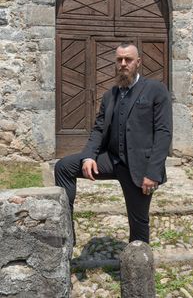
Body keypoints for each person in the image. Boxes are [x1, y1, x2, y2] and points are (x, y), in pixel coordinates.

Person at [55, 43, 172, 245]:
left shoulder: (156, 90)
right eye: (119, 60)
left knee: (138, 223)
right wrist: (90, 156)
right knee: (63, 167)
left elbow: (164, 133)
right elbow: (99, 129)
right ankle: (67, 236)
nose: (123, 64)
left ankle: (139, 267)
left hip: (139, 167)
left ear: (138, 62)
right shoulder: (110, 95)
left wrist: (152, 173)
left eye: (128, 59)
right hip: (111, 160)